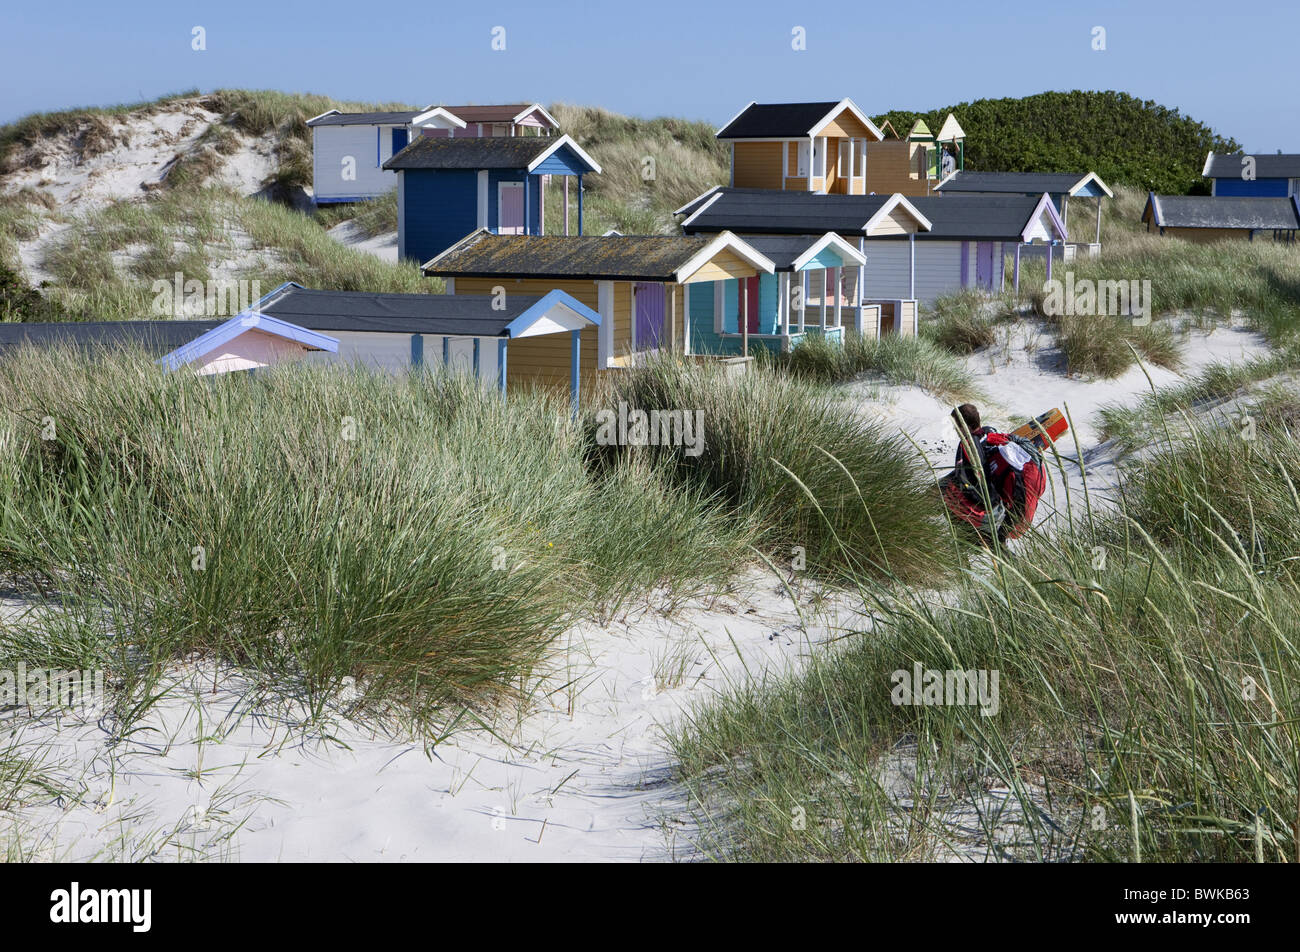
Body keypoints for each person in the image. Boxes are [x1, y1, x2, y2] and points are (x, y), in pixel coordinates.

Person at [947, 404, 1046, 543]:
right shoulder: (990, 432)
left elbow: (976, 487)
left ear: (965, 427)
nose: (956, 430)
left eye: (957, 427)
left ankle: (976, 542)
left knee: (948, 495)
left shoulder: (969, 445)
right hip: (1025, 498)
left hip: (1008, 510)